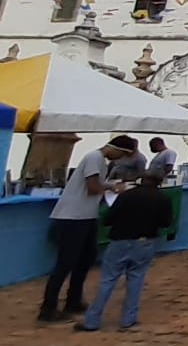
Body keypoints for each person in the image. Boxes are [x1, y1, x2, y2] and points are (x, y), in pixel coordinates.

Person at [40, 135, 137, 323]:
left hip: (86, 216)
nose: (119, 159)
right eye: (121, 155)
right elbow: (92, 187)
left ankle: (73, 300)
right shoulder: (94, 158)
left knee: (85, 259)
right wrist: (114, 188)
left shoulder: (101, 161)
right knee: (65, 263)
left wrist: (110, 186)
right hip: (72, 217)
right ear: (116, 149)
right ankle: (48, 308)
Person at [75, 170, 171, 332]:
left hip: (120, 240)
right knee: (136, 280)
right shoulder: (163, 199)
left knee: (107, 280)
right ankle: (128, 319)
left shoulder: (127, 196)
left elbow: (108, 219)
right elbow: (166, 222)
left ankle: (92, 320)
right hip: (145, 242)